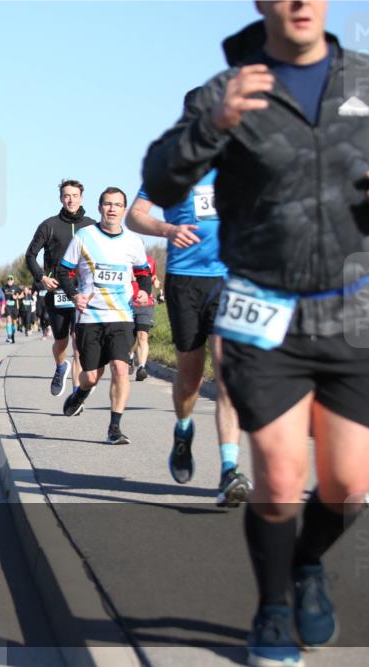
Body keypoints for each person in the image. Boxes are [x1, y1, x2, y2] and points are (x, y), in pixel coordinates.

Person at [141, 2, 369, 664]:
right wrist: (216, 123)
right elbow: (159, 176)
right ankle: (271, 607)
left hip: (358, 305)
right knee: (281, 475)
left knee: (348, 484)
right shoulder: (226, 88)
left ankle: (308, 560)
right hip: (266, 305)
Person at [127, 168, 251, 507]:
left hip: (229, 278)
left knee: (228, 375)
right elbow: (134, 216)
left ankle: (229, 470)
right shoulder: (172, 165)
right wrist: (167, 229)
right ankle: (183, 429)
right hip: (185, 281)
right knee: (191, 375)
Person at [56, 188, 150, 445]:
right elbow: (64, 272)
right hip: (90, 317)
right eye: (107, 204)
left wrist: (143, 291)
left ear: (124, 210)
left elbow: (143, 273)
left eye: (117, 205)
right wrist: (75, 295)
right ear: (99, 208)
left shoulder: (133, 241)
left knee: (120, 369)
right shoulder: (85, 237)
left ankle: (114, 427)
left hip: (121, 316)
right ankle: (81, 392)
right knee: (91, 376)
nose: (112, 209)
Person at [25, 180, 96, 396]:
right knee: (61, 341)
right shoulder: (49, 225)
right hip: (56, 291)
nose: (71, 199)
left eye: (75, 195)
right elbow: (30, 255)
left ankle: (76, 392)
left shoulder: (92, 226)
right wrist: (42, 278)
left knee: (78, 343)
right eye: (67, 195)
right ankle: (60, 366)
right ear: (61, 198)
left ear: (81, 198)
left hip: (82, 292)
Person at [130, 254, 158, 381]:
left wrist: (155, 282)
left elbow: (153, 276)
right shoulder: (125, 258)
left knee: (143, 335)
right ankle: (130, 357)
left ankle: (142, 367)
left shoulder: (150, 261)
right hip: (128, 303)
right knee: (130, 338)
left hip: (146, 304)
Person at [3, 274, 21, 343]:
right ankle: (9, 335)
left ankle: (12, 335)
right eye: (8, 279)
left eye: (11, 279)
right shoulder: (4, 287)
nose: (9, 280)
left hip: (14, 307)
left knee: (14, 322)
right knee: (8, 319)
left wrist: (17, 297)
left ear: (13, 280)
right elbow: (1, 295)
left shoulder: (16, 287)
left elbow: (22, 293)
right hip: (7, 306)